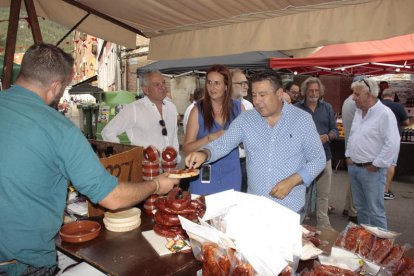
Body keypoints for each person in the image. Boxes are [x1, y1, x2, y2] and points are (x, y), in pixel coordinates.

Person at [0, 44, 178, 276]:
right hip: (22, 262)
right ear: (55, 86)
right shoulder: (58, 128)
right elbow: (111, 197)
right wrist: (156, 184)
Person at [185, 71, 326, 215]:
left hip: (290, 208)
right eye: (254, 95)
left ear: (279, 93)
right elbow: (223, 143)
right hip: (255, 207)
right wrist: (204, 154)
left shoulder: (302, 120)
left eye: (262, 95)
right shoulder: (246, 120)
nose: (257, 101)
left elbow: (319, 159)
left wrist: (293, 180)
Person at [345, 78, 400, 229]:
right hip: (355, 168)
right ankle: (366, 243)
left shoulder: (385, 114)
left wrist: (377, 164)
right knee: (361, 209)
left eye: (357, 94)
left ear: (369, 95)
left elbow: (393, 143)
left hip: (372, 170)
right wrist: (348, 155)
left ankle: (382, 247)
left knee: (376, 211)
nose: (353, 97)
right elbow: (353, 135)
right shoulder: (358, 112)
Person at [182, 65, 244, 195]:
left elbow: (247, 142)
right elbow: (186, 148)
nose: (212, 87)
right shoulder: (197, 110)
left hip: (231, 175)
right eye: (209, 82)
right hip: (204, 176)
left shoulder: (239, 108)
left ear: (226, 86)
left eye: (217, 83)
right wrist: (210, 138)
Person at [102, 70, 180, 159]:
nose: (163, 87)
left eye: (163, 83)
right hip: (144, 169)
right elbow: (108, 132)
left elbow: (174, 139)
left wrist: (176, 160)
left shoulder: (171, 107)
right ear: (146, 90)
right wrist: (125, 156)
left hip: (170, 167)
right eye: (157, 85)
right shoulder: (134, 109)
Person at [295, 77, 338, 230]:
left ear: (320, 92)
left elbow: (335, 130)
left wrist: (327, 136)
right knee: (300, 192)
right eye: (311, 90)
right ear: (305, 91)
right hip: (302, 160)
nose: (313, 93)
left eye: (316, 90)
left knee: (323, 194)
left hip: (324, 157)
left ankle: (323, 224)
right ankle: (297, 223)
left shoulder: (327, 108)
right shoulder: (296, 109)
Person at [381, 87, 410, 200]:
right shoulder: (398, 106)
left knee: (378, 161)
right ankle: (385, 190)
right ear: (393, 95)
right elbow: (406, 122)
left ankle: (377, 188)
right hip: (393, 138)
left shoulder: (377, 104)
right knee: (391, 164)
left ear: (382, 95)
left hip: (379, 137)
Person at [230, 69, 253, 192]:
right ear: (229, 84)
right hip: (228, 161)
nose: (246, 86)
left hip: (246, 160)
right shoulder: (220, 106)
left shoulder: (249, 106)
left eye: (246, 83)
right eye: (241, 83)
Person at [341, 93, 358, 223]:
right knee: (356, 179)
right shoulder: (355, 102)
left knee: (353, 178)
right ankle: (353, 211)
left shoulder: (347, 100)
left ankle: (348, 207)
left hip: (349, 145)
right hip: (355, 147)